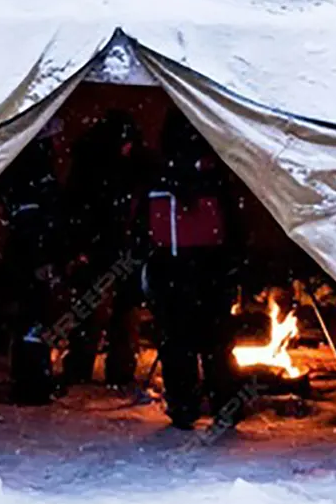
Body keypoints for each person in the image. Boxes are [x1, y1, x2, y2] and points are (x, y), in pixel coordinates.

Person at [143, 109, 245, 430]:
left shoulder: (157, 177)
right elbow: (235, 226)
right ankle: (222, 405)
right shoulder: (215, 176)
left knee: (179, 346)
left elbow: (139, 228)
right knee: (213, 344)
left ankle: (186, 407)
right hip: (205, 271)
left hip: (174, 270)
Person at [63, 110, 154, 388]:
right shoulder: (101, 168)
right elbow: (80, 207)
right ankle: (101, 369)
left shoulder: (97, 165)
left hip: (112, 247)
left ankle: (106, 369)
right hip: (105, 247)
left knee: (110, 312)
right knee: (98, 311)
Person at [0, 130, 63, 405]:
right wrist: (41, 258)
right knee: (33, 322)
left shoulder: (24, 166)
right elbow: (33, 219)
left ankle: (32, 380)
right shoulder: (34, 168)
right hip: (32, 257)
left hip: (28, 254)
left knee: (32, 320)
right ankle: (32, 384)